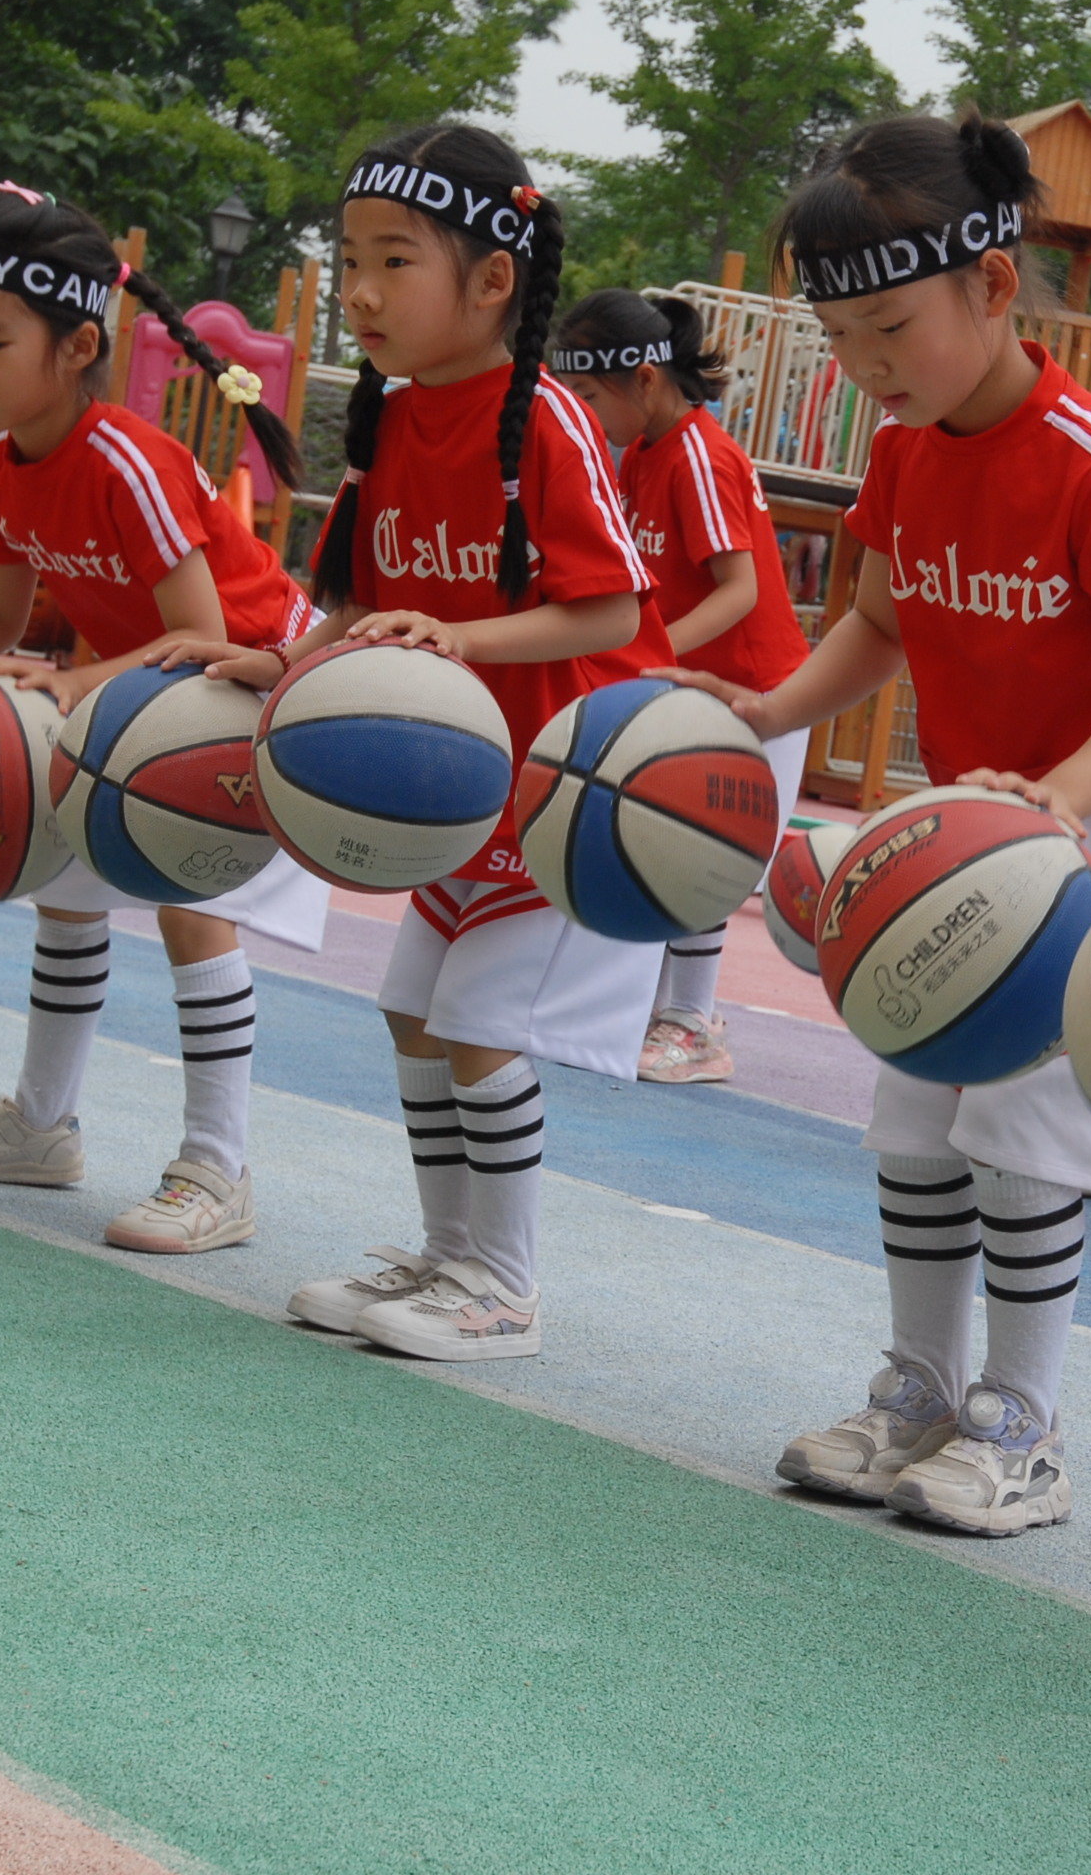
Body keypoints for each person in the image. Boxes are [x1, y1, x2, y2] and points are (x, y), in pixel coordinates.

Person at [659, 112, 1091, 1536]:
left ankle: (1022, 1431)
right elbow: (876, 621)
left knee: (1029, 1125)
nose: (864, 368)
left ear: (992, 287)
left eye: (887, 329)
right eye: (838, 339)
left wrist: (1058, 804)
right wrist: (764, 710)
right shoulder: (912, 455)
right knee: (915, 1117)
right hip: (997, 825)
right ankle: (917, 1393)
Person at [174, 123, 669, 1362]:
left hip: (565, 792)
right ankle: (448, 1258)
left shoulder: (545, 418)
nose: (361, 290)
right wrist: (286, 661)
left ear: (492, 280)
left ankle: (501, 1285)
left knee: (482, 1024)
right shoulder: (393, 419)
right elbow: (365, 598)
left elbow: (611, 610)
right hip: (448, 791)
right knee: (412, 1018)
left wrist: (455, 635)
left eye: (393, 260)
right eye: (350, 260)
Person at [0, 181, 327, 1254]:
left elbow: (193, 635)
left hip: (259, 686)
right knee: (65, 892)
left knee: (190, 909)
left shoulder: (126, 459)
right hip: (148, 695)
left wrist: (76, 684)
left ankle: (217, 1170)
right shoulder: (5, 466)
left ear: (78, 344)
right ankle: (42, 1127)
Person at [549, 286, 811, 1085]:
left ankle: (692, 1021)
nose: (585, 414)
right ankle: (668, 1011)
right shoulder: (642, 454)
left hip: (754, 696)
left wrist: (646, 654)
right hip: (696, 689)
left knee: (700, 855)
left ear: (645, 380)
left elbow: (740, 590)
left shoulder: (699, 454)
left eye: (590, 397)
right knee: (659, 843)